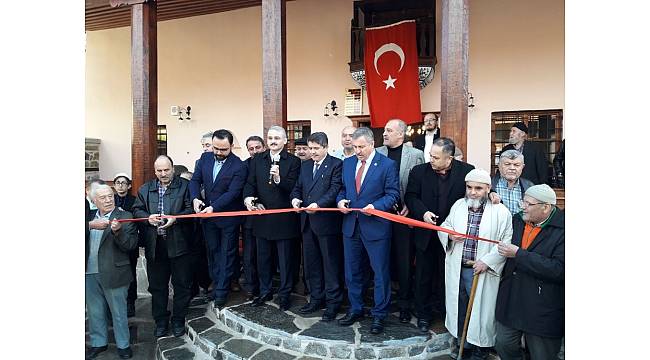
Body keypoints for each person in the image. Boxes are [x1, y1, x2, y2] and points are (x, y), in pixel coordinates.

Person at [438, 169, 513, 360]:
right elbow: (445, 224)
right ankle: (465, 344)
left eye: (478, 188)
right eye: (469, 187)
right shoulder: (458, 206)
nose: (472, 192)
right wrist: (449, 234)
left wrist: (486, 262)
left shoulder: (501, 212)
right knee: (461, 307)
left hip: (482, 270)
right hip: (459, 267)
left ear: (488, 188)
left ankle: (481, 348)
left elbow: (506, 241)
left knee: (481, 312)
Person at [404, 137, 475, 333]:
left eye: (436, 157)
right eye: (431, 155)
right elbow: (410, 196)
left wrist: (492, 194)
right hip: (425, 232)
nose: (431, 159)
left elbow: (478, 192)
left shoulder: (467, 171)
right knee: (423, 276)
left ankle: (447, 314)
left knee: (448, 277)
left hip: (452, 236)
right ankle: (423, 314)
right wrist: (423, 212)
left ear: (449, 158)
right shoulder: (419, 171)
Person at [336, 127, 399, 334]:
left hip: (376, 228)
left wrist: (376, 207)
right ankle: (356, 308)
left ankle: (379, 315)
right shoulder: (348, 163)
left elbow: (393, 195)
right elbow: (343, 189)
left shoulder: (387, 165)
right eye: (354, 147)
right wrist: (340, 201)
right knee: (352, 272)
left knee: (380, 273)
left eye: (361, 147)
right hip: (351, 226)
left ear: (372, 144)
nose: (358, 151)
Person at [495, 185, 564, 360]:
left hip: (543, 306)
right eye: (522, 201)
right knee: (503, 344)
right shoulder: (517, 220)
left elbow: (560, 269)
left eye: (528, 203)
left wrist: (519, 254)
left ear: (546, 207)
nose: (522, 207)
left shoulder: (564, 229)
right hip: (512, 298)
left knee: (542, 355)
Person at [132, 155, 194, 338]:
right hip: (155, 245)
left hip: (179, 244)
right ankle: (160, 321)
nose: (163, 174)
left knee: (182, 285)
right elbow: (136, 210)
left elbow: (191, 210)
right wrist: (147, 217)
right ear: (155, 171)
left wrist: (176, 219)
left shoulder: (185, 187)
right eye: (159, 170)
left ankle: (178, 320)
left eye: (166, 170)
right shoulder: (145, 189)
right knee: (157, 287)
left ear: (173, 169)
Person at [243, 126, 301, 310]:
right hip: (262, 217)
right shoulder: (258, 160)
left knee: (285, 261)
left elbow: (294, 187)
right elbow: (250, 183)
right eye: (270, 138)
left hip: (284, 219)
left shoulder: (293, 161)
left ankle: (285, 294)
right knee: (263, 258)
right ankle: (265, 291)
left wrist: (278, 179)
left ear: (285, 141)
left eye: (277, 138)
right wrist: (249, 200)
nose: (273, 141)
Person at [190, 129, 247, 307]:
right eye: (216, 148)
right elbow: (194, 181)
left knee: (227, 254)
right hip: (208, 218)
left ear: (231, 147)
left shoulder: (239, 166)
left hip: (228, 217)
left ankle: (222, 291)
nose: (218, 153)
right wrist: (195, 199)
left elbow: (233, 192)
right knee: (213, 252)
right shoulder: (204, 159)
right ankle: (216, 286)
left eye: (223, 150)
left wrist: (213, 207)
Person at [290, 132, 344, 322]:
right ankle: (316, 298)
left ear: (326, 147)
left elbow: (334, 190)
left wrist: (319, 205)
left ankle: (333, 303)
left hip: (327, 224)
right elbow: (298, 187)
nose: (312, 152)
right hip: (307, 222)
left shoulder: (336, 164)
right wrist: (295, 199)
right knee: (312, 264)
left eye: (316, 148)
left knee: (330, 265)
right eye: (310, 148)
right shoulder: (305, 166)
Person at [376, 119, 424, 323]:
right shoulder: (376, 152)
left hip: (405, 216)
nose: (384, 134)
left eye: (389, 130)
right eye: (385, 130)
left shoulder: (416, 155)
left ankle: (404, 303)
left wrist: (411, 207)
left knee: (404, 261)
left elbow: (421, 184)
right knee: (382, 260)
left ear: (401, 135)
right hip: (380, 215)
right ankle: (382, 301)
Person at [86, 184, 138, 359]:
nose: (108, 200)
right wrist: (89, 226)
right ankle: (98, 343)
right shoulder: (89, 217)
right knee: (94, 312)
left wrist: (118, 232)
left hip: (115, 273)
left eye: (110, 196)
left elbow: (130, 245)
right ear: (94, 201)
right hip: (89, 272)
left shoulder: (125, 216)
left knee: (118, 312)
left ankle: (123, 345)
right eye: (103, 197)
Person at [241, 135, 266, 300]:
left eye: (258, 147)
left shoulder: (270, 162)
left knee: (265, 255)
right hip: (249, 217)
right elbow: (244, 187)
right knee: (249, 254)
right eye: (251, 149)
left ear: (263, 147)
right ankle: (251, 286)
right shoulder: (244, 166)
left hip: (267, 215)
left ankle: (266, 285)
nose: (255, 151)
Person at [112, 173, 139, 317]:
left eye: (124, 183)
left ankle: (130, 302)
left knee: (130, 273)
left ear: (129, 186)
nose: (121, 186)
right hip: (114, 241)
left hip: (129, 241)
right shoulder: (111, 200)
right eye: (118, 183)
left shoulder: (134, 200)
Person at [488, 150, 534, 214]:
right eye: (507, 164)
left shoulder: (530, 187)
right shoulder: (488, 186)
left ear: (522, 167)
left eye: (516, 165)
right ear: (499, 166)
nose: (512, 168)